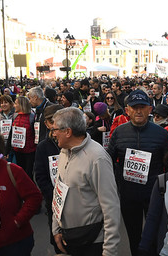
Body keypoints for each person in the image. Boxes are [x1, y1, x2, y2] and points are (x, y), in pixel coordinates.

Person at [107, 89, 168, 256]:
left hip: (154, 194)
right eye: (134, 107)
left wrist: (165, 189)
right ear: (127, 110)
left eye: (142, 107)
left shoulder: (162, 134)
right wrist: (116, 184)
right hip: (128, 194)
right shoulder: (119, 132)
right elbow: (108, 160)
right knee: (134, 237)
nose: (138, 111)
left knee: (155, 236)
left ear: (150, 110)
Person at [51, 107, 121, 256]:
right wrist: (56, 228)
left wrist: (109, 251)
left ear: (68, 132)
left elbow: (111, 206)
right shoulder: (64, 152)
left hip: (92, 241)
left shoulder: (97, 158)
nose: (53, 134)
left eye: (55, 129)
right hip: (68, 237)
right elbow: (58, 191)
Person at [33, 104, 63, 254]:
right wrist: (53, 196)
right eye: (52, 121)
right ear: (47, 124)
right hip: (55, 204)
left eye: (60, 119)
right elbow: (40, 176)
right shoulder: (43, 147)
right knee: (58, 242)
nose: (56, 124)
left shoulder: (73, 142)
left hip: (78, 204)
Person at [7, 96, 36, 179]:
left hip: (29, 151)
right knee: (20, 172)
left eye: (16, 103)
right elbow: (11, 133)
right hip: (17, 149)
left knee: (28, 173)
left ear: (22, 105)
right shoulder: (14, 116)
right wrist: (7, 150)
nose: (14, 106)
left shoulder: (32, 117)